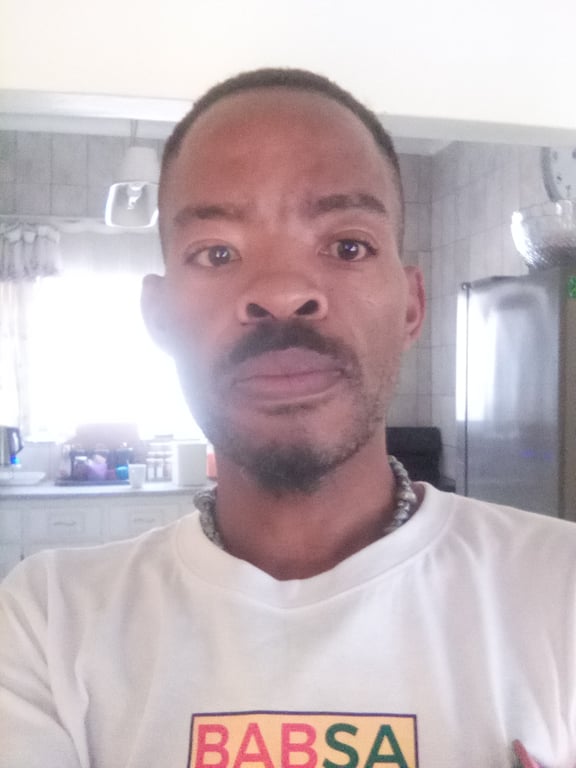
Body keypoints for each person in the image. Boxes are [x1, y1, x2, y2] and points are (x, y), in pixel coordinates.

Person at [1, 68, 575, 768]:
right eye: (217, 253)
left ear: (411, 306)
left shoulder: (561, 591)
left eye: (347, 246)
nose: (279, 293)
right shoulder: (46, 625)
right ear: (160, 317)